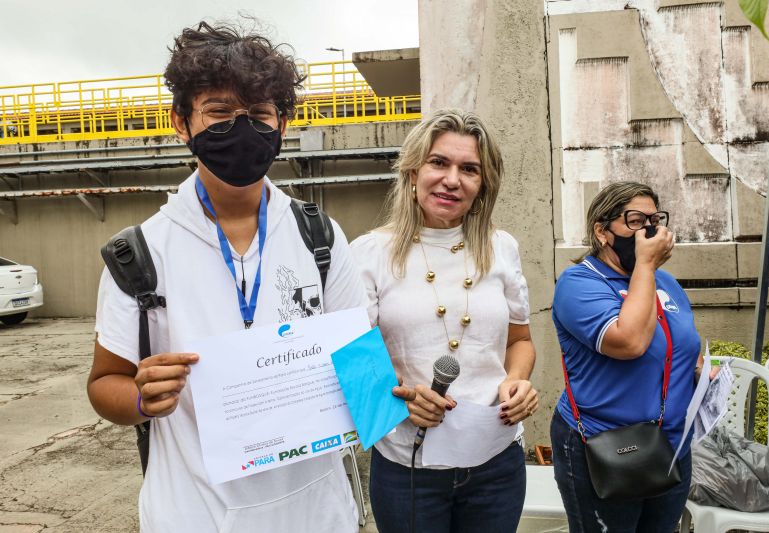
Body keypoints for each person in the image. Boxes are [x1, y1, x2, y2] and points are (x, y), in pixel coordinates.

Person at [86, 22, 366, 533]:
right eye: (218, 111)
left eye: (258, 113)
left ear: (283, 124)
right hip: (192, 514)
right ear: (181, 122)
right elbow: (106, 383)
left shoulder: (319, 236)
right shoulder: (140, 253)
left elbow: (362, 372)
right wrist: (142, 399)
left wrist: (384, 394)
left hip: (316, 512)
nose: (240, 129)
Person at [350, 108, 538, 533]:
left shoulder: (501, 248)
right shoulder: (368, 254)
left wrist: (518, 380)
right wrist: (399, 397)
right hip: (408, 469)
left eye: (469, 169)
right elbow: (352, 363)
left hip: (497, 463)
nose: (452, 179)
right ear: (413, 172)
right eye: (439, 163)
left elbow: (520, 341)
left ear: (482, 184)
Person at [550, 181, 711, 532]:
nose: (649, 229)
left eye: (656, 219)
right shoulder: (579, 283)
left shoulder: (665, 281)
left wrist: (698, 370)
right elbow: (631, 342)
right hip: (606, 446)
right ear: (602, 231)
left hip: (669, 445)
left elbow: (680, 343)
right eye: (635, 220)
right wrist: (645, 266)